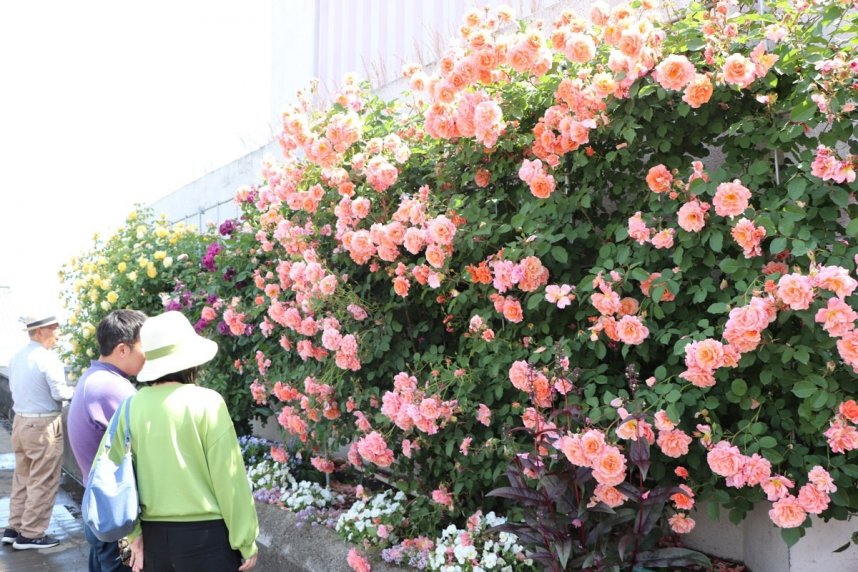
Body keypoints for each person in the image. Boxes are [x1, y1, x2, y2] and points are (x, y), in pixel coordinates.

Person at [97, 310, 258, 572]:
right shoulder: (207, 402)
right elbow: (229, 478)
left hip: (154, 539)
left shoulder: (130, 407)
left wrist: (133, 532)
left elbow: (111, 473)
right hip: (208, 539)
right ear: (191, 360)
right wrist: (245, 539)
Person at [68, 309, 147, 572]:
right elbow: (144, 444)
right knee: (121, 567)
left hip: (101, 511)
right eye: (143, 347)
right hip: (117, 517)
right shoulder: (112, 387)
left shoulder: (93, 377)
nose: (148, 356)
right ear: (123, 349)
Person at [2, 312, 75, 549]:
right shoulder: (47, 358)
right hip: (43, 425)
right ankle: (31, 534)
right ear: (41, 331)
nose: (58, 333)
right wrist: (78, 390)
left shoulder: (17, 357)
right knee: (43, 480)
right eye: (55, 328)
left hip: (21, 422)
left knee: (23, 477)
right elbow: (60, 394)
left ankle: (14, 528)